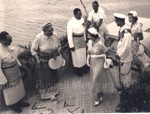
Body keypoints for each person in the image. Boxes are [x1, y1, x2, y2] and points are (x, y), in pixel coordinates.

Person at [0, 31, 29, 113]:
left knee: (18, 88)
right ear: (2, 40)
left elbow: (14, 57)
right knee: (10, 91)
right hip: (8, 74)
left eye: (11, 39)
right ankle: (14, 106)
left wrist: (20, 66)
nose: (11, 41)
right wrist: (3, 80)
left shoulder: (8, 47)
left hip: (16, 71)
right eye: (9, 40)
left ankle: (20, 102)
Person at [31, 23, 60, 100]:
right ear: (44, 31)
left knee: (53, 75)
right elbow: (33, 50)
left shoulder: (55, 35)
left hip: (53, 59)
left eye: (52, 29)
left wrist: (57, 52)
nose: (52, 32)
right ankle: (46, 95)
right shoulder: (38, 37)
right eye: (50, 30)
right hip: (43, 60)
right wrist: (37, 59)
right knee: (45, 78)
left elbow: (59, 46)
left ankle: (54, 92)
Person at [87, 27, 110, 106]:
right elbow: (89, 52)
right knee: (96, 78)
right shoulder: (90, 42)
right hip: (93, 62)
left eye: (89, 35)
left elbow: (106, 51)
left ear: (93, 36)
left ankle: (98, 96)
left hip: (99, 63)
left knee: (96, 79)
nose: (87, 36)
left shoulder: (100, 44)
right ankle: (100, 92)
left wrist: (104, 59)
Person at [67, 8, 88, 77]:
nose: (80, 16)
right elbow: (69, 35)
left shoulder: (82, 20)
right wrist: (71, 45)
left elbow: (84, 31)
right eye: (79, 14)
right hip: (75, 41)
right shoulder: (70, 22)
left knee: (83, 55)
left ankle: (84, 68)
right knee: (77, 57)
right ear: (75, 14)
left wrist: (85, 40)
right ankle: (78, 71)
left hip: (82, 39)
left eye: (81, 14)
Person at [114, 13, 132, 89]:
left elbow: (127, 47)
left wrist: (119, 55)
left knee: (126, 76)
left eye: (116, 21)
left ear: (120, 21)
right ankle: (124, 90)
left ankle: (127, 92)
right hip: (122, 57)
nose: (115, 22)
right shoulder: (122, 29)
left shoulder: (127, 32)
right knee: (122, 75)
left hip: (125, 58)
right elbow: (121, 43)